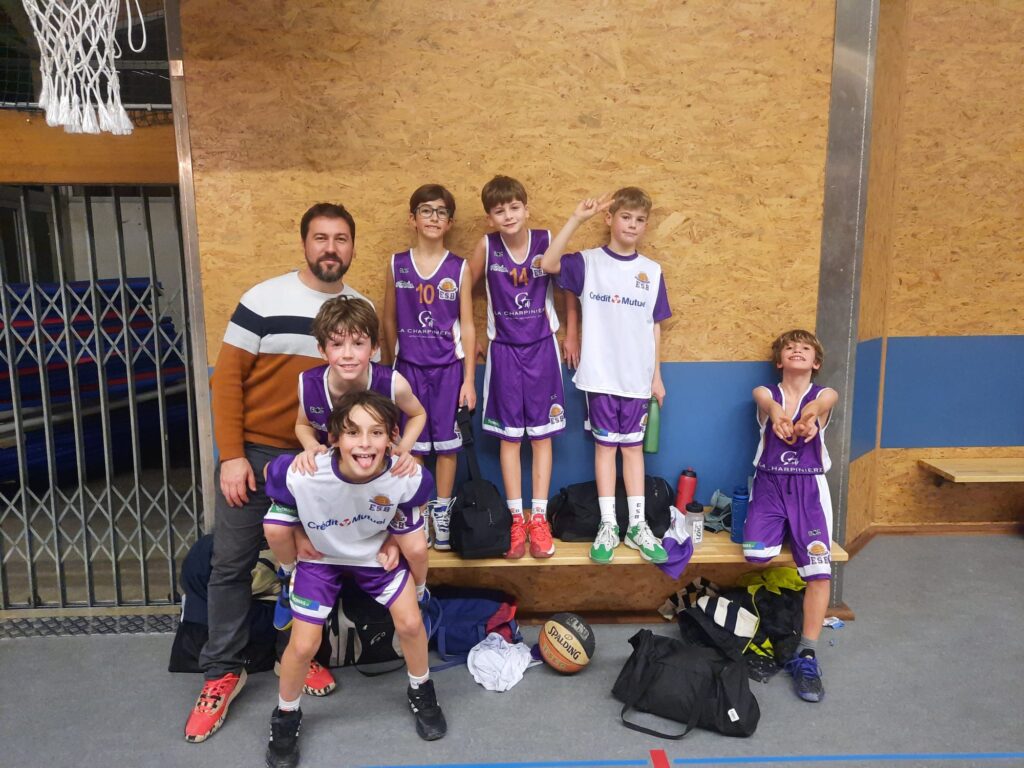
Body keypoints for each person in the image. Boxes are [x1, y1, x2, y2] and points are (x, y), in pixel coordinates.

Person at [185, 203, 374, 743]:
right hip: (254, 455)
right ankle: (222, 671)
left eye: (341, 238)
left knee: (308, 565)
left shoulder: (360, 309)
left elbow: (364, 392)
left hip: (319, 462)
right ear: (304, 243)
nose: (330, 248)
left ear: (352, 246)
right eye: (321, 237)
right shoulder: (262, 300)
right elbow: (226, 382)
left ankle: (298, 653)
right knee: (231, 564)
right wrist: (231, 455)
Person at [263, 391, 446, 768]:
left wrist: (397, 543)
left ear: (392, 438)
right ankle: (286, 714)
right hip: (320, 558)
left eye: (376, 433)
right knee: (303, 645)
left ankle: (421, 689)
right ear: (333, 438)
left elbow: (416, 517)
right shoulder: (306, 472)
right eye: (352, 432)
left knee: (411, 623)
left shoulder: (406, 476)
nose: (364, 443)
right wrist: (296, 533)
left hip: (373, 556)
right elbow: (270, 475)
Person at [271, 295, 428, 630]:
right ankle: (289, 579)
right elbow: (302, 424)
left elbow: (418, 414)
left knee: (407, 531)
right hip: (333, 480)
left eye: (358, 343)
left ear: (374, 348)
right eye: (337, 344)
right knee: (280, 523)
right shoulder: (309, 384)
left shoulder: (392, 382)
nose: (347, 354)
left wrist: (404, 449)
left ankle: (417, 593)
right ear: (321, 349)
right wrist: (311, 446)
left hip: (373, 476)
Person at [540, 188, 671, 565]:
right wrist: (576, 219)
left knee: (632, 450)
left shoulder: (652, 271)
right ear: (609, 219)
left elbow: (654, 326)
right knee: (605, 449)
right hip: (599, 376)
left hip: (637, 378)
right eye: (625, 217)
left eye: (640, 220)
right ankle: (609, 524)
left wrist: (656, 376)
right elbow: (548, 264)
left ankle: (637, 526)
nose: (632, 225)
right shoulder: (587, 262)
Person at [468, 175, 577, 559]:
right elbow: (462, 287)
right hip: (503, 352)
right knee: (510, 439)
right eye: (500, 211)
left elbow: (567, 289)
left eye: (514, 207)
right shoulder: (487, 246)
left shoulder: (546, 241)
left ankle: (539, 519)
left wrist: (571, 334)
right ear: (490, 218)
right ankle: (517, 519)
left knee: (542, 437)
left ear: (526, 209)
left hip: (542, 348)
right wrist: (468, 333)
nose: (509, 215)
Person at [743, 329, 838, 703]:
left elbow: (828, 398)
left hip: (808, 488)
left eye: (806, 348)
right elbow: (763, 399)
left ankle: (808, 653)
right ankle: (779, 613)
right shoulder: (767, 394)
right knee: (755, 556)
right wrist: (778, 414)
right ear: (779, 360)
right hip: (769, 483)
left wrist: (810, 416)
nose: (797, 350)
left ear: (816, 362)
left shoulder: (822, 396)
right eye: (789, 347)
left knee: (819, 571)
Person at [382, 184, 476, 550]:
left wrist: (469, 379)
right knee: (415, 446)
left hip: (449, 369)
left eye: (441, 212)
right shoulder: (397, 263)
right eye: (426, 210)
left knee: (448, 446)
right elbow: (389, 319)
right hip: (408, 368)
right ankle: (418, 511)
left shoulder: (459, 267)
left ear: (449, 222)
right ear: (413, 218)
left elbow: (467, 324)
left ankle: (442, 510)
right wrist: (388, 369)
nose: (433, 218)